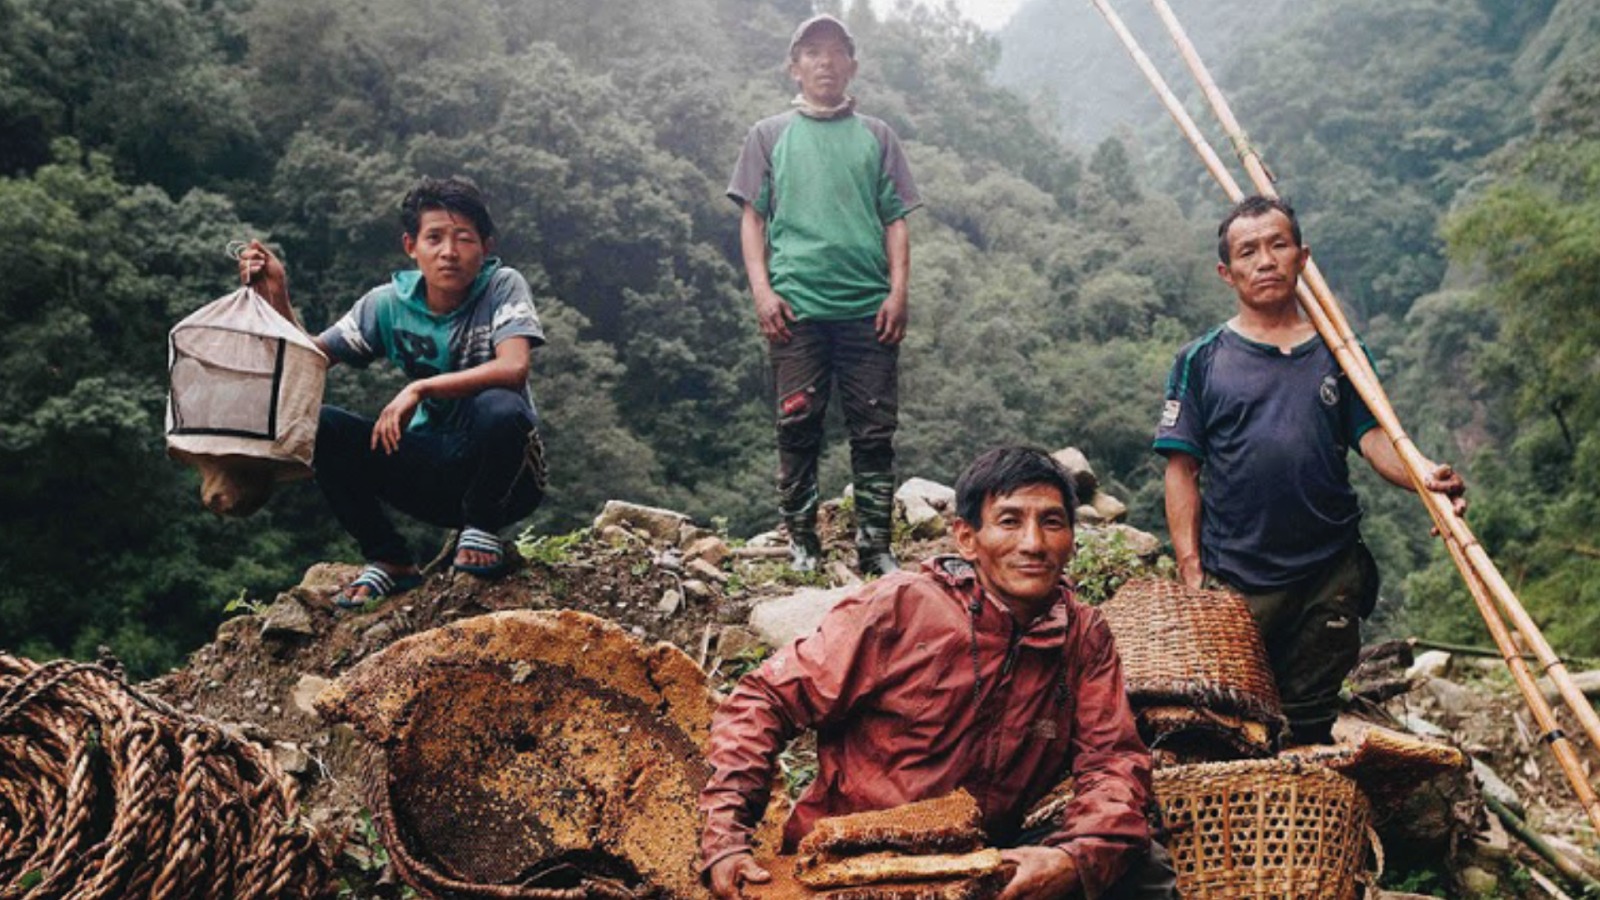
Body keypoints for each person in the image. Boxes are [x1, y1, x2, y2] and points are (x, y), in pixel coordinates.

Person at [700, 447, 1177, 900]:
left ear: (1072, 540)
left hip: (972, 860)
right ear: (967, 538)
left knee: (1141, 865)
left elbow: (1112, 762)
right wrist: (726, 834)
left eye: (1051, 522)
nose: (1033, 543)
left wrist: (1073, 858)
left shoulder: (1082, 635)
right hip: (847, 858)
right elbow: (764, 699)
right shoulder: (902, 607)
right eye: (1009, 521)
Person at [1154, 195, 1467, 745]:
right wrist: (1190, 567)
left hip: (1328, 569)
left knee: (1308, 722)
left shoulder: (1340, 353)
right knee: (1229, 722)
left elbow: (1375, 438)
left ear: (1303, 256)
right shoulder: (1202, 359)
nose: (1266, 260)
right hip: (1239, 574)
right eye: (1248, 251)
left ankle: (1303, 820)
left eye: (1278, 245)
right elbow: (1181, 468)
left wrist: (1424, 475)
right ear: (1226, 272)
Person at [238, 175, 547, 607]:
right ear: (411, 246)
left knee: (500, 407)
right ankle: (389, 559)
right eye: (434, 238)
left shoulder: (502, 286)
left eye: (464, 239)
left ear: (486, 247)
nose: (449, 252)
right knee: (323, 425)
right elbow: (308, 362)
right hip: (429, 472)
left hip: (507, 478)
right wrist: (277, 291)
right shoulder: (385, 305)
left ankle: (481, 527)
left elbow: (514, 367)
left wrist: (419, 388)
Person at [727, 13, 921, 576]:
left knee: (874, 428)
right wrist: (762, 291)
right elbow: (752, 217)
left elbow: (896, 220)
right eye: (813, 52)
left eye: (836, 52)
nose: (825, 62)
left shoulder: (878, 135)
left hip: (868, 307)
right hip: (796, 309)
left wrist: (899, 292)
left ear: (852, 66)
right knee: (797, 422)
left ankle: (875, 546)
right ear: (795, 67)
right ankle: (802, 541)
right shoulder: (768, 134)